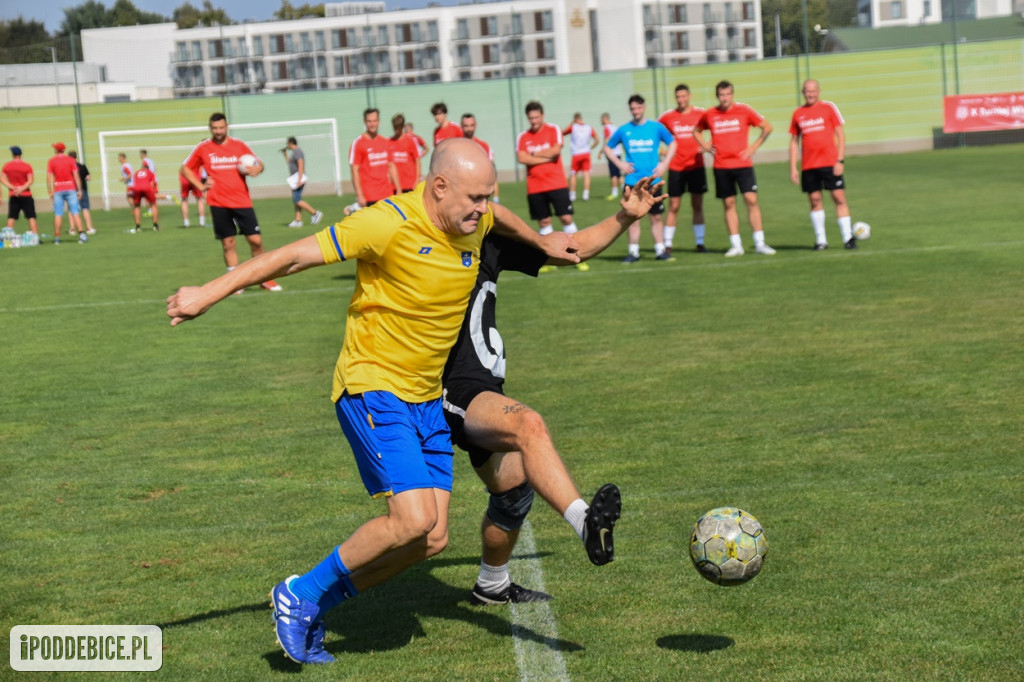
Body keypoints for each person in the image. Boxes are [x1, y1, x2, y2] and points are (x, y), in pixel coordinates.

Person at [166, 138, 578, 665]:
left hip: (427, 397)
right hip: (373, 386)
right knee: (409, 519)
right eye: (474, 197)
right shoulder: (386, 222)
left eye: (488, 197)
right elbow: (292, 256)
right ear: (439, 186)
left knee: (429, 540)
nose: (483, 208)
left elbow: (502, 217)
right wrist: (209, 292)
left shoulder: (475, 217)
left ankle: (317, 605)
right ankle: (298, 593)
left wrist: (544, 242)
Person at [443, 176, 663, 605]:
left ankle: (491, 585)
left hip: (485, 386)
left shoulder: (487, 241)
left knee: (513, 490)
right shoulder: (422, 243)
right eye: (472, 197)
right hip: (450, 387)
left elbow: (569, 247)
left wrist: (624, 217)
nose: (479, 206)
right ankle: (585, 523)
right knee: (528, 426)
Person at [180, 112, 282, 293]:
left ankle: (264, 279)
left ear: (226, 127)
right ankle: (234, 284)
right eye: (214, 128)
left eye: (221, 127)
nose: (218, 131)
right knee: (228, 243)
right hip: (218, 202)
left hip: (241, 200)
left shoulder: (239, 145)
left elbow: (259, 163)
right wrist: (201, 185)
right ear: (210, 128)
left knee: (256, 241)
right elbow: (185, 168)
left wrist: (258, 168)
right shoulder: (204, 148)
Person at [693, 80, 776, 257]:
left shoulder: (744, 110)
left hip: (743, 165)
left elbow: (767, 127)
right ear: (717, 96)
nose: (725, 98)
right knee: (729, 203)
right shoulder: (710, 114)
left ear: (732, 95)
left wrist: (753, 148)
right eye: (721, 95)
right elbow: (696, 131)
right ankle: (736, 244)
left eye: (727, 94)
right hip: (721, 166)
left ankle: (760, 243)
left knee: (751, 200)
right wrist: (706, 147)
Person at [604, 94, 676, 263]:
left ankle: (660, 250)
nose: (635, 111)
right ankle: (633, 252)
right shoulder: (624, 130)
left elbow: (672, 143)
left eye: (638, 108)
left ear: (644, 107)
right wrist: (619, 164)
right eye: (632, 109)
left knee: (656, 217)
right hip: (632, 183)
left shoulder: (656, 127)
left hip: (653, 182)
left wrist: (664, 164)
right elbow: (607, 148)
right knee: (632, 218)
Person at [789, 79, 857, 250]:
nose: (810, 94)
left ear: (818, 91)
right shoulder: (798, 113)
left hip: (830, 163)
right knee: (814, 200)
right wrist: (793, 167)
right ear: (802, 92)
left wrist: (840, 160)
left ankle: (848, 238)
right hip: (809, 165)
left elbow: (840, 135)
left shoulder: (828, 108)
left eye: (813, 91)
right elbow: (793, 142)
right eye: (807, 91)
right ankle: (821, 241)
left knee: (839, 197)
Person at [658, 84, 708, 254]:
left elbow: (716, 128)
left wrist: (708, 145)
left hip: (696, 166)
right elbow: (652, 133)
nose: (681, 100)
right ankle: (668, 244)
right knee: (674, 205)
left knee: (697, 204)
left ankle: (700, 243)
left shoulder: (701, 113)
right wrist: (663, 152)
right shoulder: (668, 117)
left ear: (689, 96)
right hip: (676, 167)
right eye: (678, 97)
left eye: (684, 96)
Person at [349, 108, 401, 213]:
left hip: (387, 195)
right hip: (369, 196)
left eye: (374, 121)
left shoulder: (385, 142)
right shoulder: (358, 143)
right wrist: (359, 195)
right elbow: (354, 170)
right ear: (365, 122)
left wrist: (399, 189)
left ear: (379, 121)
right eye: (369, 121)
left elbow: (391, 166)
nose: (372, 124)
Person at [46, 142, 85, 245]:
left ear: (56, 150)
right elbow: (76, 176)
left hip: (58, 189)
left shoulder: (51, 161)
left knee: (58, 213)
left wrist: (50, 191)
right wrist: (79, 190)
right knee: (75, 212)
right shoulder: (71, 160)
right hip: (70, 188)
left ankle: (57, 237)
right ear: (63, 150)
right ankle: (81, 235)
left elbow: (49, 178)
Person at [282, 136, 323, 228]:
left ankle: (315, 213)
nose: (287, 146)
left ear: (291, 143)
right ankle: (298, 220)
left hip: (298, 178)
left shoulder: (297, 152)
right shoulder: (294, 153)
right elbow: (290, 163)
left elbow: (301, 165)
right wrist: (285, 154)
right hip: (295, 178)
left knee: (297, 200)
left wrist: (300, 179)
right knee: (296, 200)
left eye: (287, 144)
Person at [461, 112, 499, 204]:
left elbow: (491, 174)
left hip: (480, 194)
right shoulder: (457, 146)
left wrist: (496, 199)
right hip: (462, 194)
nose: (469, 129)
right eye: (466, 126)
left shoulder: (484, 146)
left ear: (476, 125)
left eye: (471, 125)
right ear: (461, 126)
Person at [2, 145, 39, 236]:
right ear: (21, 154)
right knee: (31, 216)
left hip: (13, 194)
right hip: (26, 194)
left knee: (11, 217)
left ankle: (8, 237)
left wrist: (13, 188)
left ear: (12, 154)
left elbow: (2, 179)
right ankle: (35, 237)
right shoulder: (27, 166)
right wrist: (21, 188)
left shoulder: (7, 166)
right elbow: (30, 180)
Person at [562, 113, 599, 202]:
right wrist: (591, 148)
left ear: (575, 119)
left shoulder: (573, 127)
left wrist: (571, 123)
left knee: (573, 174)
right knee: (586, 174)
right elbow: (597, 139)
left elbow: (563, 133)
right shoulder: (589, 127)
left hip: (576, 153)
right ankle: (585, 194)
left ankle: (572, 195)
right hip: (586, 153)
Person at [389, 113, 421, 194]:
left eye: (399, 128)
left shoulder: (410, 141)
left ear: (403, 127)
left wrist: (417, 179)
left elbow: (417, 160)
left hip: (409, 183)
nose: (397, 130)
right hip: (395, 185)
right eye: (395, 128)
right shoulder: (389, 142)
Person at [68, 151, 96, 235]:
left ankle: (72, 229)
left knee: (71, 210)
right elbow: (88, 177)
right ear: (76, 157)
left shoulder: (69, 167)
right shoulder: (82, 166)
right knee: (85, 208)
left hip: (72, 190)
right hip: (82, 189)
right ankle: (89, 228)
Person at [129, 163, 160, 232]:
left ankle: (138, 227)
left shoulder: (136, 173)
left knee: (137, 206)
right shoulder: (150, 173)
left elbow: (133, 183)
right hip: (147, 187)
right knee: (153, 205)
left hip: (136, 188)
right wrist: (149, 195)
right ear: (148, 168)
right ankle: (155, 225)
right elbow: (152, 183)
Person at [598, 113, 622, 200]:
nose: (600, 121)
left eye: (601, 119)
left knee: (613, 174)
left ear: (604, 119)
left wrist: (601, 151)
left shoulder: (607, 128)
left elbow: (607, 139)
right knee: (619, 174)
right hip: (618, 152)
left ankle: (614, 193)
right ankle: (624, 190)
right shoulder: (615, 127)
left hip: (611, 153)